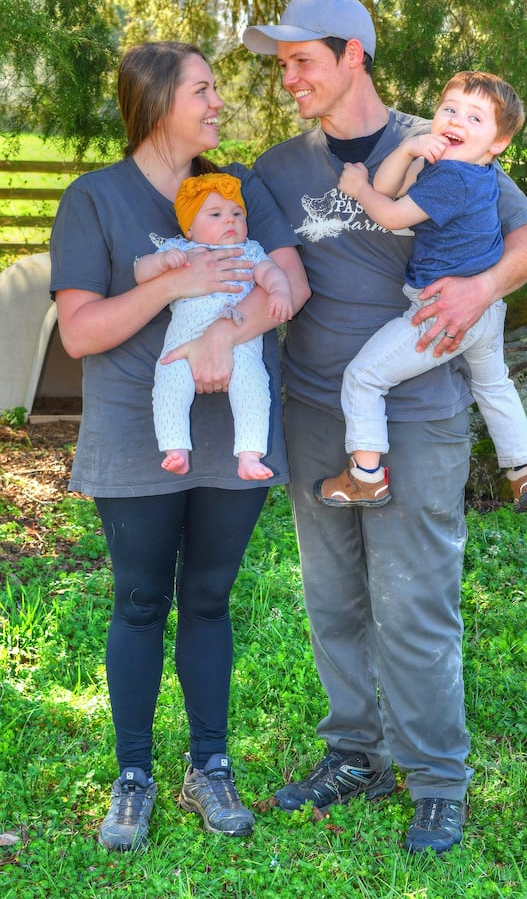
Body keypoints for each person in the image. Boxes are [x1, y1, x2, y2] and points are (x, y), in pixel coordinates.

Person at [242, 0, 527, 854]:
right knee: (333, 596)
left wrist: (483, 287)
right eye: (282, 64)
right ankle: (355, 757)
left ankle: (438, 781)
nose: (289, 77)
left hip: (417, 407)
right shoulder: (276, 169)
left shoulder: (447, 138)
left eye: (302, 60)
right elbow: (272, 273)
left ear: (353, 55)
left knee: (414, 601)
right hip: (315, 406)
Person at [50, 41, 309, 852]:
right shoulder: (94, 199)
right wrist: (174, 284)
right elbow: (82, 331)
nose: (219, 103)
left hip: (240, 437)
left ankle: (210, 765)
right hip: (135, 434)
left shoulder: (240, 187)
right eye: (204, 90)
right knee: (138, 602)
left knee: (207, 599)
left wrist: (223, 335)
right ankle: (133, 776)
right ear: (160, 102)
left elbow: (291, 288)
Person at [315, 71, 527, 513]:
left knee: (364, 376)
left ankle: (365, 475)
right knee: (494, 384)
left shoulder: (452, 180)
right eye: (450, 109)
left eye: (474, 118)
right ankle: (525, 469)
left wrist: (358, 188)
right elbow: (392, 188)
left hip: (439, 311)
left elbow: (388, 212)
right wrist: (408, 150)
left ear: (498, 143)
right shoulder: (466, 169)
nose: (456, 120)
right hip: (486, 309)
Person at [134, 172, 293, 480]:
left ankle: (250, 455)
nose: (230, 221)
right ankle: (175, 447)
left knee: (254, 386)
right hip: (182, 344)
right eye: (216, 214)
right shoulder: (179, 249)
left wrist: (280, 290)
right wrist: (164, 262)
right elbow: (141, 272)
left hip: (239, 342)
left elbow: (270, 271)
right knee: (168, 381)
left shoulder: (249, 249)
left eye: (237, 213)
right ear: (189, 227)